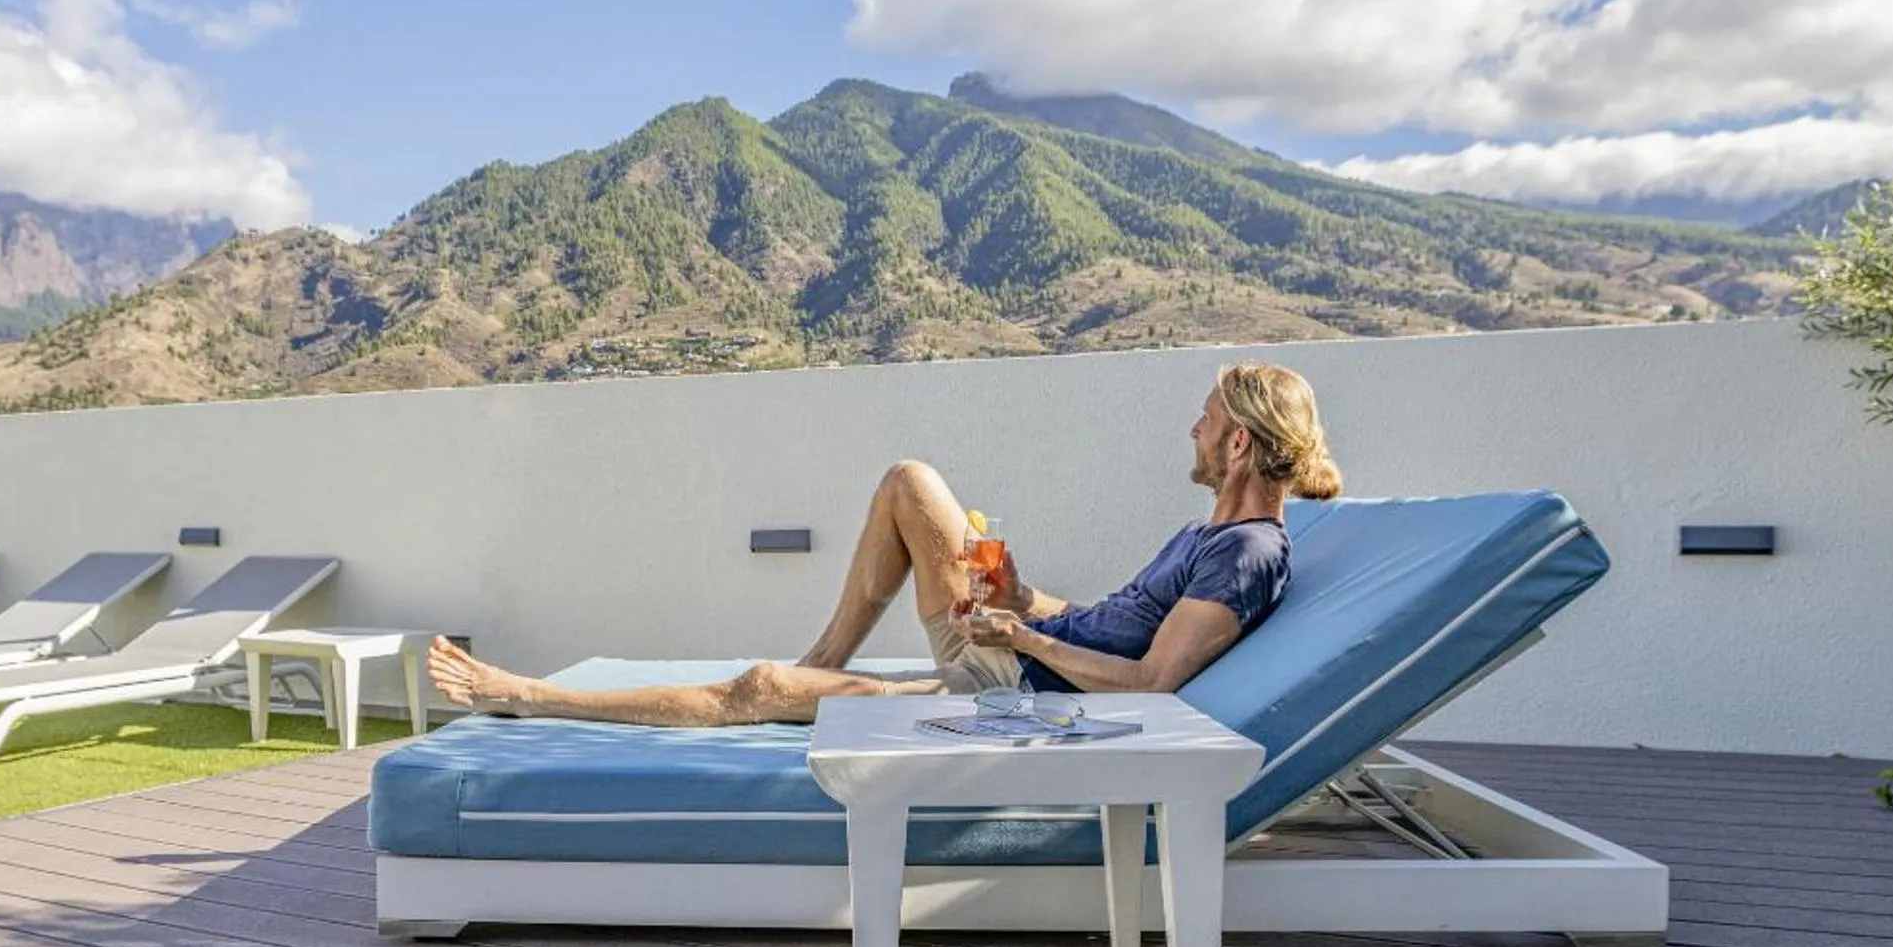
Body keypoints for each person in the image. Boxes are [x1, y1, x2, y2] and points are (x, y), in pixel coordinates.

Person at [426, 361, 1343, 727]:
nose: (1190, 427)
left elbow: (1152, 683)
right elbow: (1120, 629)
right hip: (1020, 652)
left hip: (1021, 690)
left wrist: (1018, 642)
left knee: (760, 688)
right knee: (911, 481)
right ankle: (822, 663)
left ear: (1236, 446)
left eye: (1206, 419)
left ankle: (531, 699)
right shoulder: (1211, 534)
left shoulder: (1250, 553)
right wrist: (1023, 600)